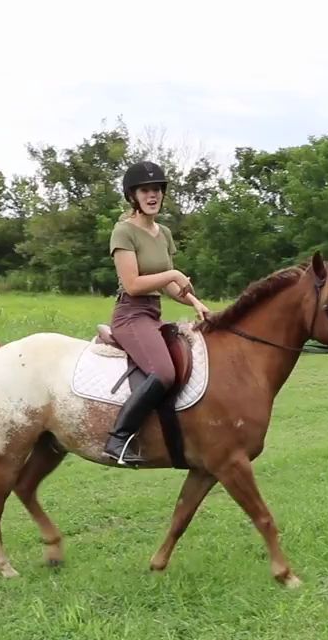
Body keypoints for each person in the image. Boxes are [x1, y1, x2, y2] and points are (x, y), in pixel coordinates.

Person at [103, 160, 210, 466]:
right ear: (133, 196)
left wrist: (195, 303)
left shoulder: (163, 233)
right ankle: (118, 439)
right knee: (163, 372)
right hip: (130, 315)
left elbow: (168, 287)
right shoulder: (123, 232)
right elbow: (134, 284)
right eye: (145, 191)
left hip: (153, 313)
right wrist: (173, 274)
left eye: (157, 190)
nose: (152, 196)